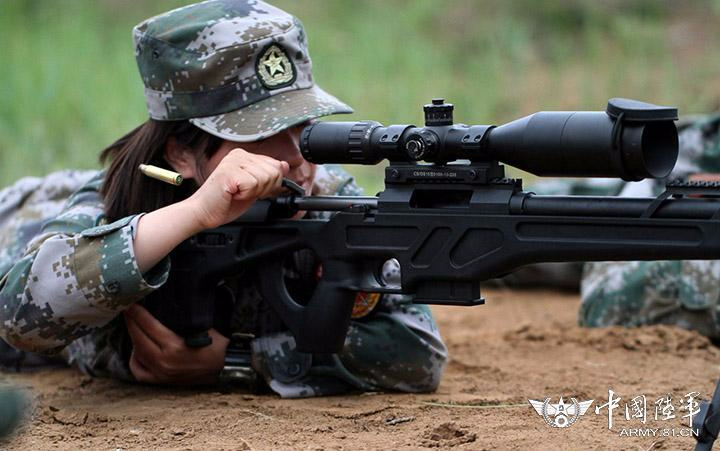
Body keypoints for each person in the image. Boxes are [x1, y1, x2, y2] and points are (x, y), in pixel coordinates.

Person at [0, 0, 447, 398]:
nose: (297, 158)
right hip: (20, 219)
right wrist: (194, 213)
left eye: (304, 124)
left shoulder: (325, 197)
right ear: (181, 153)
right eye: (261, 134)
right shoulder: (118, 199)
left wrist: (238, 360)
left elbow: (417, 349)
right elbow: (19, 313)